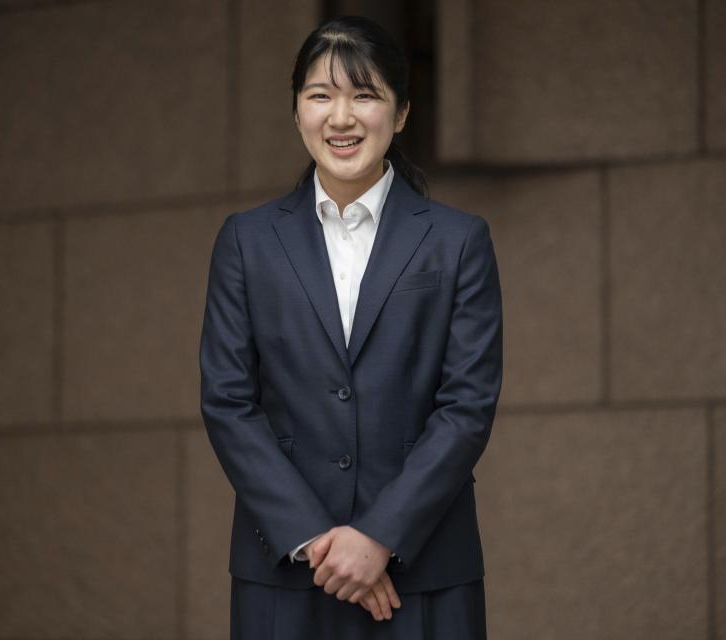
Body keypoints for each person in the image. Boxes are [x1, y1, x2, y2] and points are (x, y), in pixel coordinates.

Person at [200, 15, 502, 639]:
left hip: (424, 568)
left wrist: (380, 536)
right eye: (320, 96)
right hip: (284, 568)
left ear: (401, 113)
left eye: (364, 95)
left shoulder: (458, 241)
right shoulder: (246, 242)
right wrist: (316, 541)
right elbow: (228, 402)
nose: (341, 117)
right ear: (297, 112)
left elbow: (466, 406)